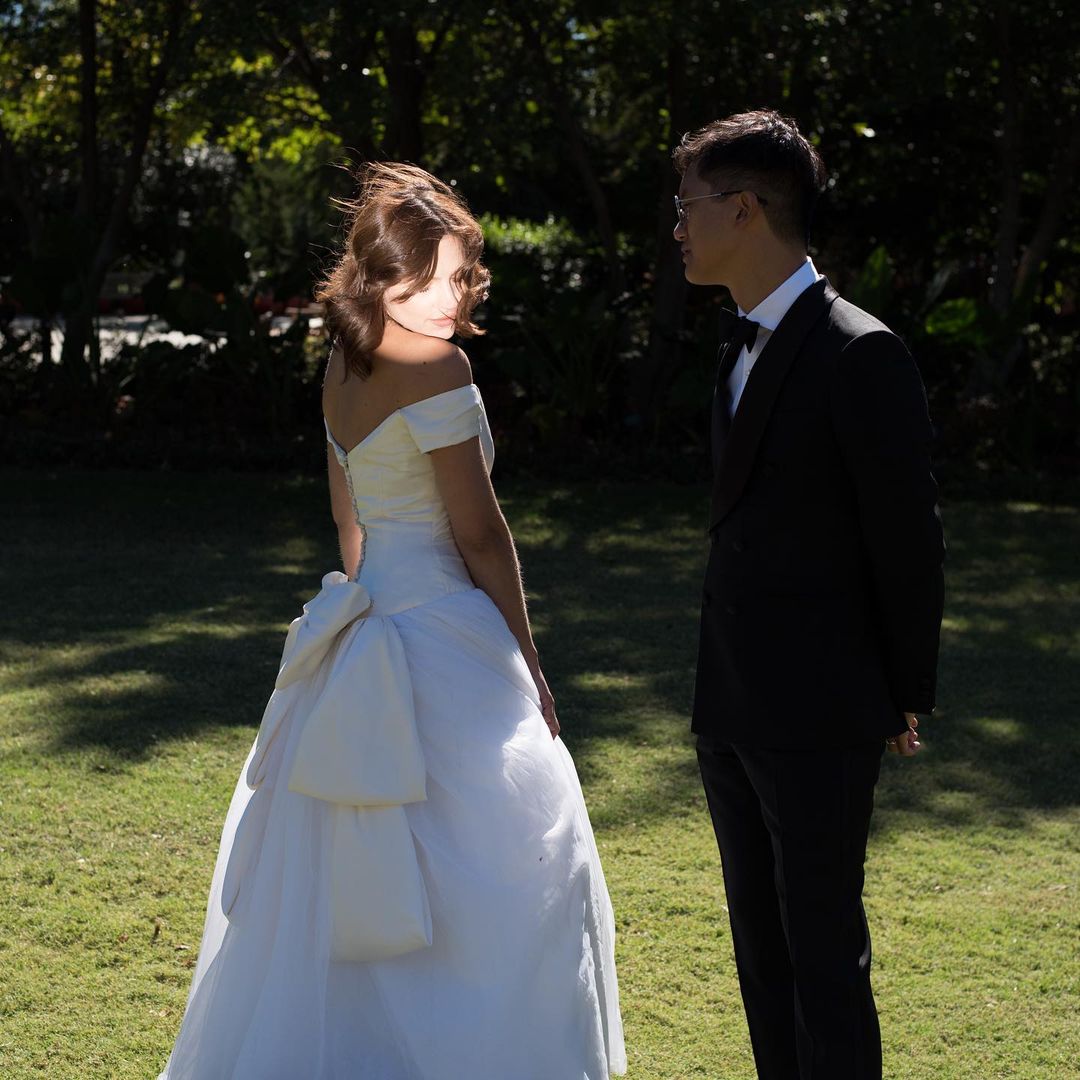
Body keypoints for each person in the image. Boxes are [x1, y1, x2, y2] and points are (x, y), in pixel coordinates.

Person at [157, 162, 625, 1080]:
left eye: (463, 276)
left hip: (368, 620)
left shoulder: (344, 364)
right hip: (445, 624)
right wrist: (528, 658)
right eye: (436, 277)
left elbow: (351, 526)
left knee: (348, 874)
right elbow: (481, 535)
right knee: (507, 864)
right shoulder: (437, 368)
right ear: (384, 276)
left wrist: (357, 626)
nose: (456, 296)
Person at [674, 110, 945, 1079]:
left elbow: (906, 540)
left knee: (824, 959)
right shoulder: (736, 342)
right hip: (730, 703)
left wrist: (902, 692)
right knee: (762, 958)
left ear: (745, 209)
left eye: (689, 204)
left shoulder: (860, 351)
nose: (678, 225)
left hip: (820, 708)